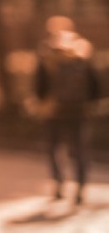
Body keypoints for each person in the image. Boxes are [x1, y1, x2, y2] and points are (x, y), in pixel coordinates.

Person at [34, 17, 100, 204]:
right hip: (78, 110)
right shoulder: (82, 52)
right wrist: (90, 102)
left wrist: (40, 102)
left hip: (53, 111)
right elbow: (94, 83)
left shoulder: (46, 53)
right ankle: (80, 186)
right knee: (79, 150)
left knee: (54, 149)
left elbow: (39, 86)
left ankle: (59, 184)